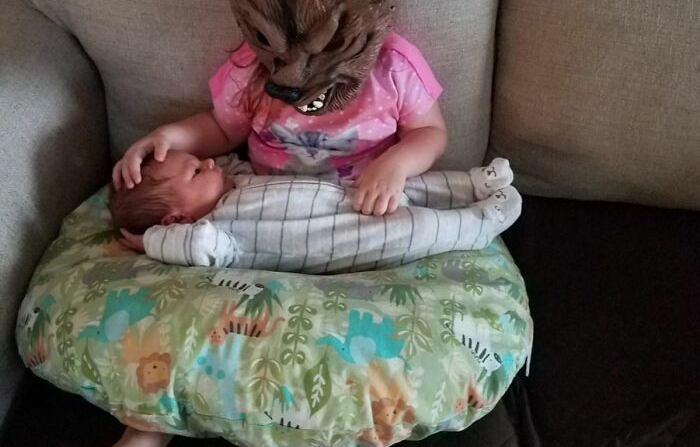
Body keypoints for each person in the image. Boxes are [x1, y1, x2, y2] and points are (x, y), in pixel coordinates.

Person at [73, 0, 521, 447]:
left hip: (349, 221)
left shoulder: (393, 66)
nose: (295, 64)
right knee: (188, 331)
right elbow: (221, 127)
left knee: (313, 351)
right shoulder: (251, 69)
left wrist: (396, 163)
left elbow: (430, 133)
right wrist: (170, 137)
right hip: (252, 218)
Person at [112, 150, 521, 273]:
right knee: (418, 229)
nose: (208, 163)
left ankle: (473, 184)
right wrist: (152, 241)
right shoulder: (216, 235)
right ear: (176, 220)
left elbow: (226, 159)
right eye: (195, 170)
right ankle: (480, 224)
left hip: (346, 193)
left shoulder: (232, 181)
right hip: (351, 242)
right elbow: (195, 246)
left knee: (408, 184)